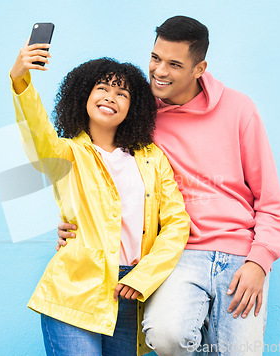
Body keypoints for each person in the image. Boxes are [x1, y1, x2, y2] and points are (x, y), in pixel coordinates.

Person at [57, 16, 280, 355]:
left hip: (240, 253)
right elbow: (103, 170)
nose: (159, 71)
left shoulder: (240, 109)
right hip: (176, 253)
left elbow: (271, 200)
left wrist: (260, 261)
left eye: (174, 64)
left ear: (199, 68)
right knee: (166, 336)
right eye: (155, 58)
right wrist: (77, 222)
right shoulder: (137, 114)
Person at [10, 40, 190, 356]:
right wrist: (20, 80)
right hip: (74, 293)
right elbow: (37, 132)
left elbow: (176, 224)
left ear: (133, 108)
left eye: (122, 94)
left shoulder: (152, 158)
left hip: (132, 294)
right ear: (84, 97)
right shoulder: (65, 153)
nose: (111, 97)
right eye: (102, 89)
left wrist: (144, 276)